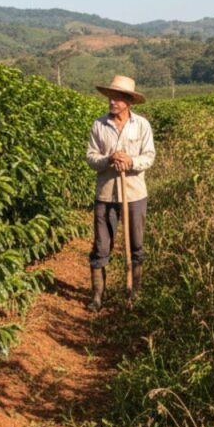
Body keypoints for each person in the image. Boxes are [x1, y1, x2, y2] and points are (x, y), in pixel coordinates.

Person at [85, 75, 155, 312]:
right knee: (101, 246)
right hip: (105, 195)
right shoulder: (99, 125)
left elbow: (149, 157)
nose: (112, 102)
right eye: (110, 97)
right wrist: (109, 159)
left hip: (134, 194)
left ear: (128, 102)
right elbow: (91, 158)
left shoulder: (142, 125)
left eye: (117, 98)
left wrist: (130, 160)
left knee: (136, 245)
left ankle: (134, 293)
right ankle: (97, 298)